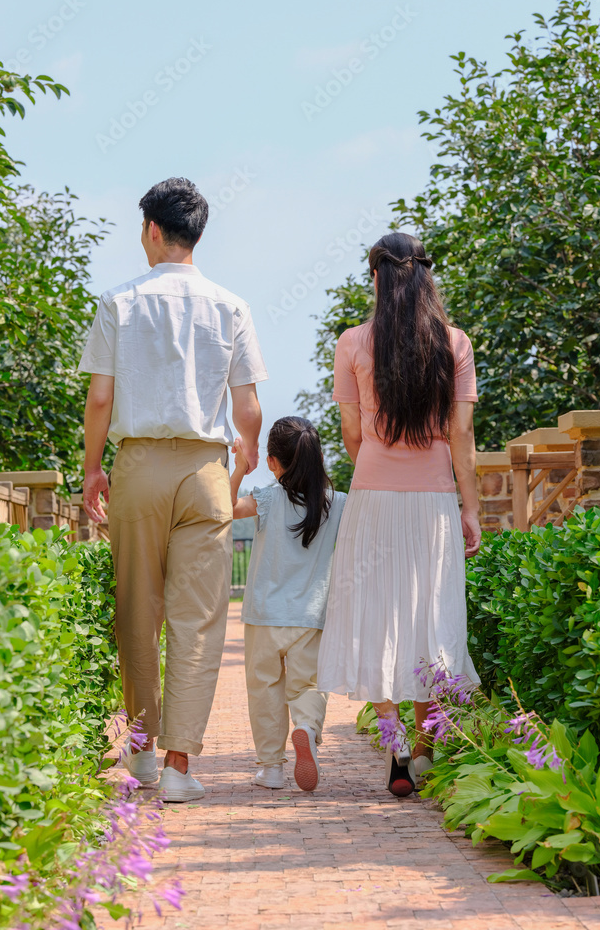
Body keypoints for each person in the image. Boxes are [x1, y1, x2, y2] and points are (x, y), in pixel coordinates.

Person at [78, 177, 267, 802]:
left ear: (155, 230)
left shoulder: (117, 302)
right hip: (205, 472)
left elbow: (100, 397)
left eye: (141, 229)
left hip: (139, 466)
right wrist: (241, 462)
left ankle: (140, 755)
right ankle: (182, 766)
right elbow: (248, 408)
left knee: (138, 609)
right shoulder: (231, 306)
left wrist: (91, 469)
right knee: (199, 619)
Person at [317, 231, 482, 798]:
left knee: (377, 618)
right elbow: (462, 435)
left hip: (373, 500)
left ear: (377, 278)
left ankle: (396, 747)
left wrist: (381, 468)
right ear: (425, 276)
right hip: (435, 501)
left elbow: (352, 434)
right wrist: (472, 507)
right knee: (429, 616)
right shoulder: (454, 344)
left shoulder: (353, 344)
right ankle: (429, 747)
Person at [230, 417, 347, 791]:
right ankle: (307, 729)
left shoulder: (266, 498)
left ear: (271, 461)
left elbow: (226, 507)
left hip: (264, 614)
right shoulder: (336, 504)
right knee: (308, 686)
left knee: (264, 689)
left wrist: (237, 469)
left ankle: (271, 768)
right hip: (310, 616)